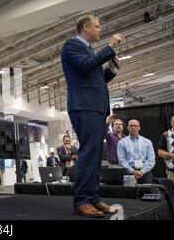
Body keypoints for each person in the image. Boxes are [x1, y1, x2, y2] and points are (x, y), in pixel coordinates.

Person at [61, 14, 124, 217]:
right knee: (89, 153)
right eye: (97, 26)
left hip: (94, 107)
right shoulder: (72, 45)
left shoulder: (88, 50)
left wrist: (110, 69)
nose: (100, 29)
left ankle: (93, 198)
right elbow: (86, 66)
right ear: (85, 27)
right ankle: (81, 201)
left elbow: (96, 80)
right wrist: (110, 46)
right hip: (84, 106)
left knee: (96, 155)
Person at [117, 119, 155, 184]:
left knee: (147, 192)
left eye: (135, 126)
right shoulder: (122, 143)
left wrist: (142, 172)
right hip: (129, 172)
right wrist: (133, 171)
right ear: (128, 128)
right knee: (130, 193)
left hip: (145, 172)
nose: (133, 127)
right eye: (131, 126)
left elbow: (151, 160)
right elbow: (121, 160)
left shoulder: (147, 142)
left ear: (139, 128)